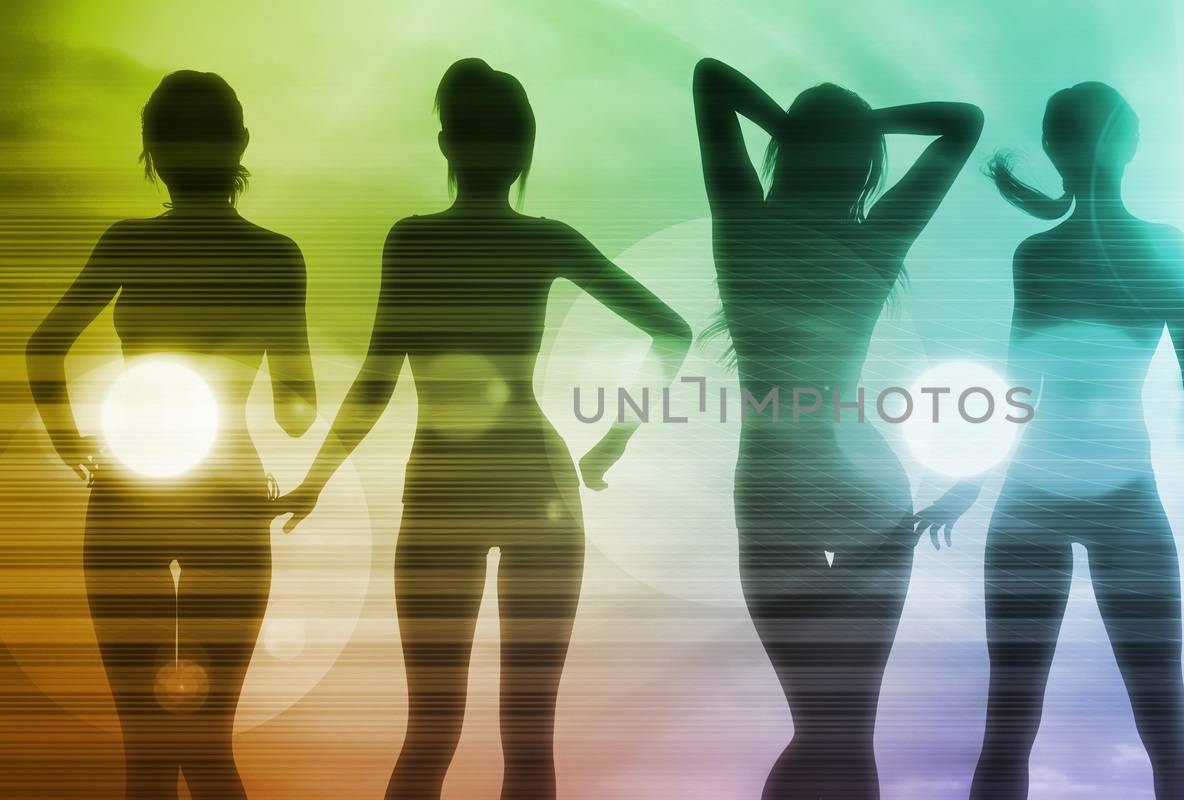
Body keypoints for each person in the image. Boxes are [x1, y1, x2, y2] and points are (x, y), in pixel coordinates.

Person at [277, 58, 691, 800]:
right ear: (522, 150)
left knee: (433, 728)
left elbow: (377, 378)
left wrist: (316, 480)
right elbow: (672, 333)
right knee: (526, 735)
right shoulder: (542, 239)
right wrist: (615, 438)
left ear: (447, 144)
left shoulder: (415, 240)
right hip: (538, 488)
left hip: (444, 492)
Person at [915, 82, 1184, 800]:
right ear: (1129, 144)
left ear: (1057, 148)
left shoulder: (1043, 254)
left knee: (1013, 726)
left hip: (1040, 497)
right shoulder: (1154, 248)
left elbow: (1021, 389)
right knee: (1159, 724)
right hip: (1117, 496)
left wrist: (969, 484)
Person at [692, 57, 982, 798]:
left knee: (821, 727)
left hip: (773, 486)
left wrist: (796, 129)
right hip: (863, 483)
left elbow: (712, 80)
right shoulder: (876, 239)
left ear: (785, 153)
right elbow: (963, 123)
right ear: (862, 164)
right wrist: (863, 127)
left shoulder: (744, 226)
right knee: (847, 729)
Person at [28, 71, 317, 800]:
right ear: (241, 145)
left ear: (151, 149)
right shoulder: (276, 255)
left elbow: (43, 348)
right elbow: (295, 405)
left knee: (148, 751)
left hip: (129, 495)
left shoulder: (128, 242)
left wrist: (70, 444)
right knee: (208, 744)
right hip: (231, 499)